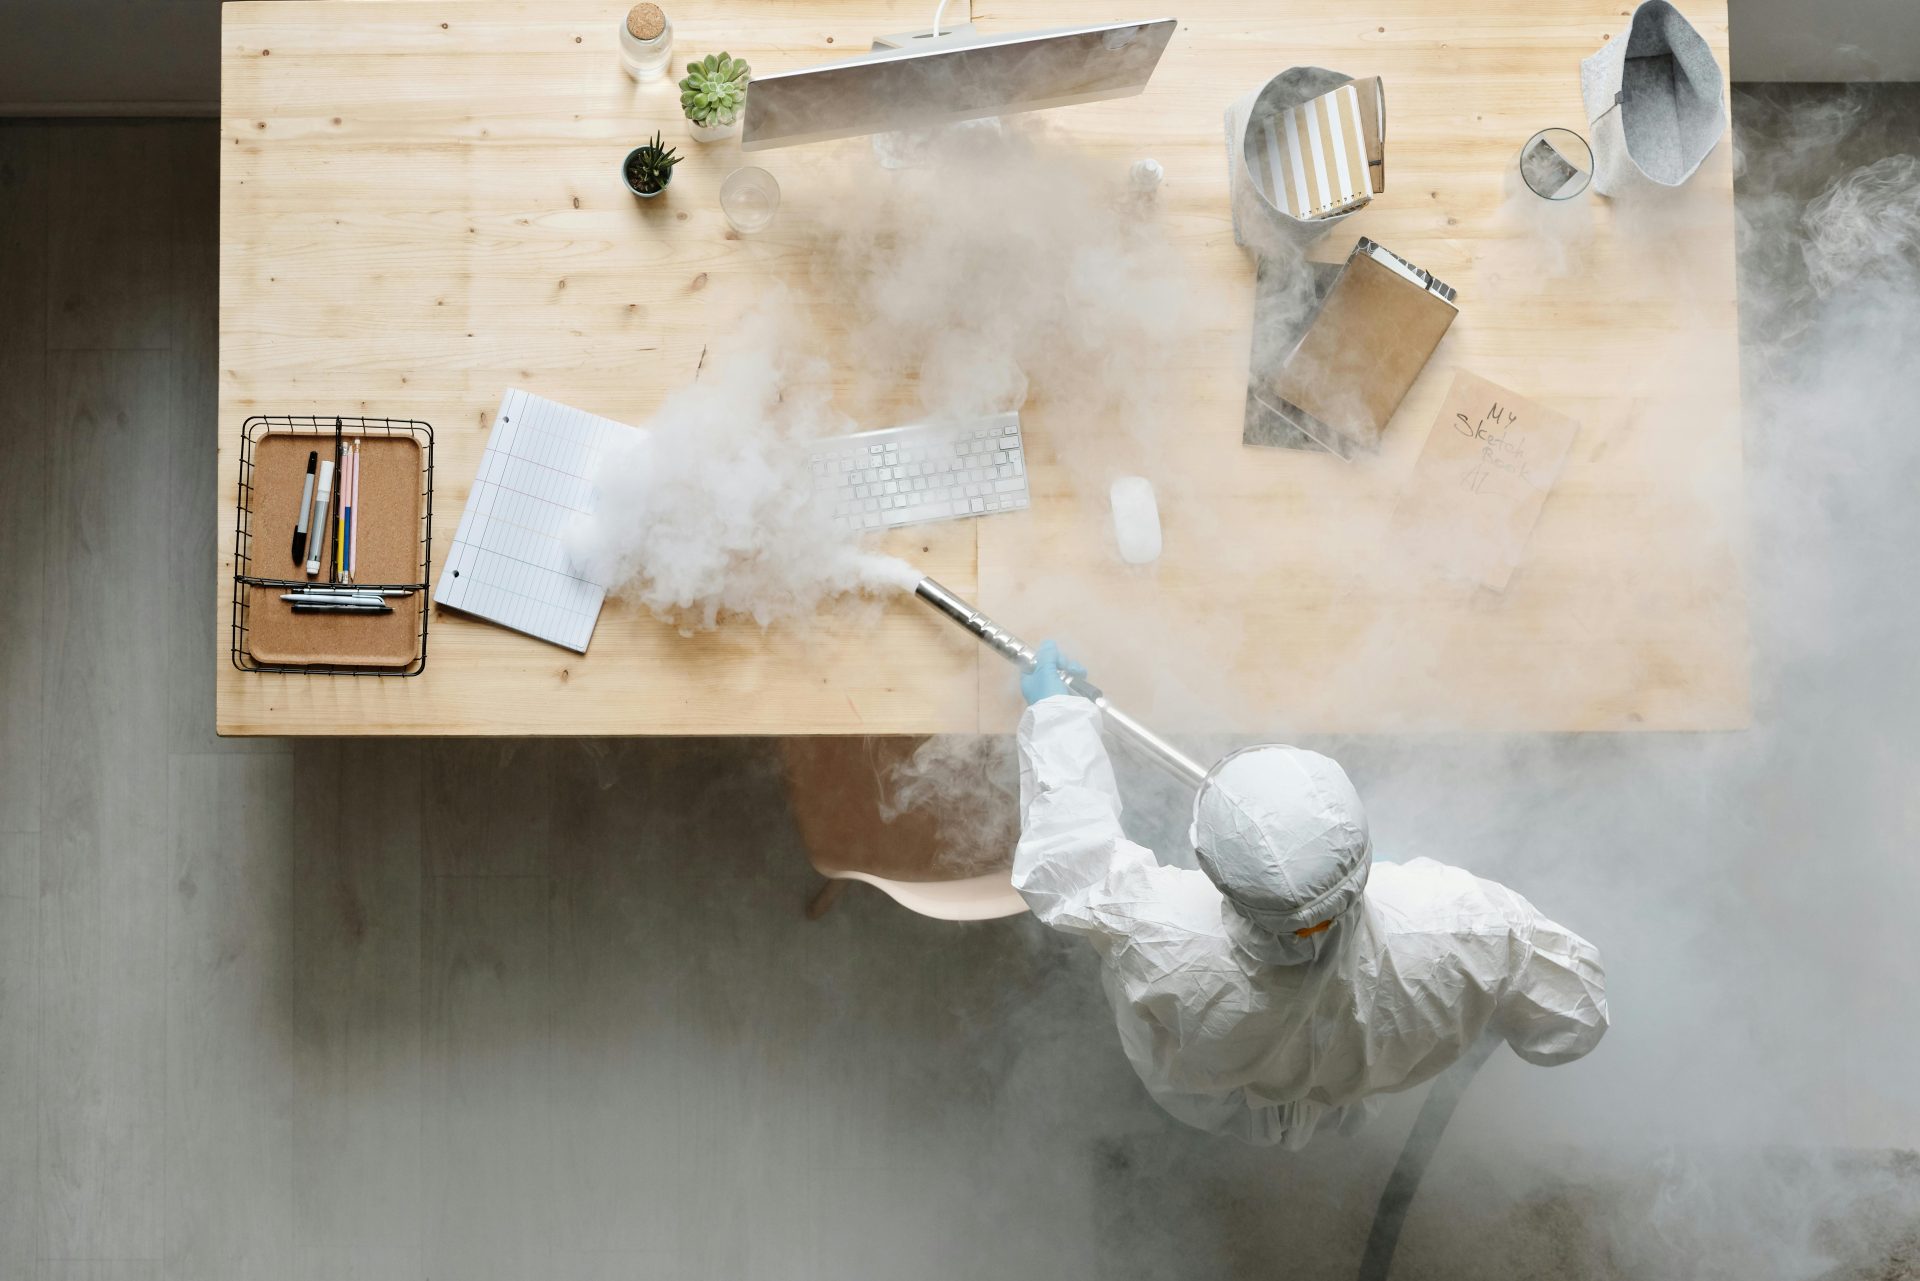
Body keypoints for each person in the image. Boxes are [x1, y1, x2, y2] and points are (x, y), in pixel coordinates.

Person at [1011, 641, 1609, 1149]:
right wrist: (1483, 997)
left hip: (1208, 1096)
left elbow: (1069, 866)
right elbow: (1573, 1022)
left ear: (1211, 871)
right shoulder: (1468, 924)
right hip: (1351, 1099)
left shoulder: (1161, 934)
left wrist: (1057, 715)